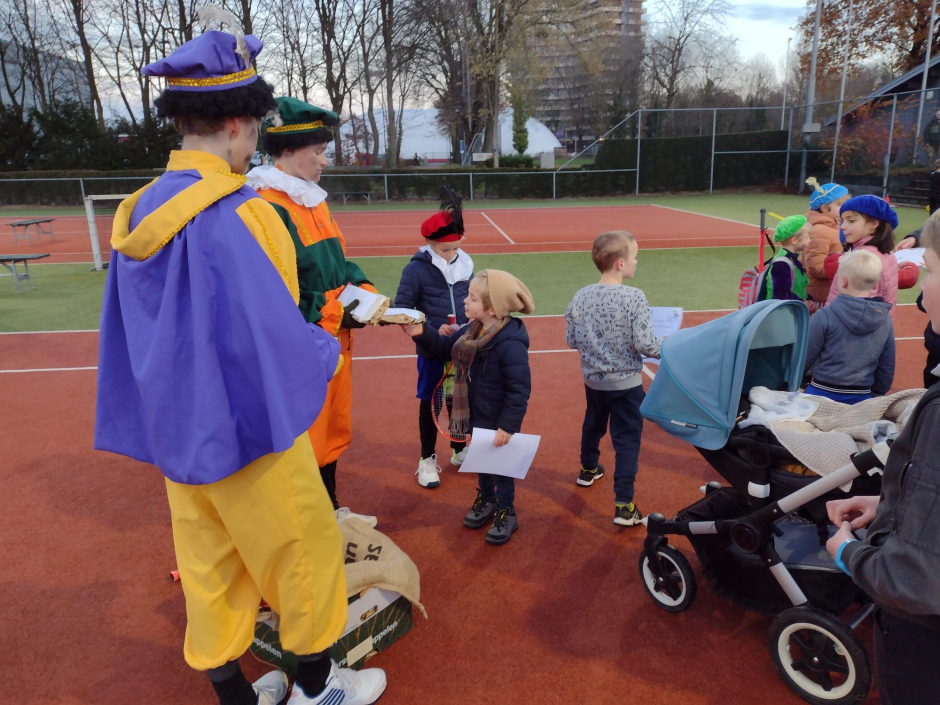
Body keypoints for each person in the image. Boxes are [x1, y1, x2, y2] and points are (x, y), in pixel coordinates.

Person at [93, 21, 386, 705]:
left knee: (209, 565)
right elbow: (275, 333)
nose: (256, 140)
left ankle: (236, 696)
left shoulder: (136, 212)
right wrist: (325, 351)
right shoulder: (246, 215)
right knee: (303, 552)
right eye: (255, 127)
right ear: (234, 122)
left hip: (180, 431)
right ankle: (318, 688)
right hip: (247, 425)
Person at [824, 211, 940, 705]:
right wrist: (892, 502)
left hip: (921, 641)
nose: (921, 292)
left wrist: (846, 553)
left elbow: (911, 579)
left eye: (930, 269)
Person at [247, 96, 379, 519]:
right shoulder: (266, 206)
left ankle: (330, 511)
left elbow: (338, 262)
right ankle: (311, 523)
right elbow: (275, 294)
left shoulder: (311, 199)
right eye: (318, 152)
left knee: (330, 430)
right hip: (305, 345)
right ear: (287, 150)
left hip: (333, 337)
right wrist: (336, 309)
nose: (325, 161)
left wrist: (364, 290)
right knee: (304, 434)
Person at [403, 270, 533, 545]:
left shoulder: (511, 345)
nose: (465, 301)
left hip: (498, 419)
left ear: (491, 308)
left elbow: (519, 390)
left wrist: (507, 426)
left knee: (502, 469)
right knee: (482, 461)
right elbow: (443, 348)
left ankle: (506, 511)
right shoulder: (471, 330)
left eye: (472, 298)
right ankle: (486, 498)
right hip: (475, 412)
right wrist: (420, 332)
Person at [565, 231, 662, 526]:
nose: (636, 262)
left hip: (594, 382)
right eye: (634, 257)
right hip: (627, 385)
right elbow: (646, 345)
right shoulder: (635, 297)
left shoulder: (580, 296)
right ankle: (624, 504)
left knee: (593, 424)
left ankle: (588, 469)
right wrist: (670, 345)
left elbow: (571, 340)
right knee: (627, 440)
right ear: (620, 263)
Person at [394, 186, 473, 488]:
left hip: (461, 347)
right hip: (431, 349)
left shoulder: (465, 264)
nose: (451, 255)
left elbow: (471, 299)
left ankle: (459, 449)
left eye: (455, 248)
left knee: (458, 400)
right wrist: (430, 326)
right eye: (445, 250)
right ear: (430, 243)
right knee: (431, 403)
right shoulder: (415, 270)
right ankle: (426, 459)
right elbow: (403, 308)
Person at [802, 250, 895, 404]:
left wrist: (793, 383)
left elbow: (806, 355)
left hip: (820, 394)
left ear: (843, 281)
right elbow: (887, 363)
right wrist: (878, 393)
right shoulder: (884, 320)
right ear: (875, 284)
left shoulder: (825, 315)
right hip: (861, 397)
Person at [826, 195, 899, 319]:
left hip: (845, 326)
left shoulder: (863, 258)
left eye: (851, 221)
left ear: (874, 224)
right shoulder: (886, 252)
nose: (842, 226)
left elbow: (858, 310)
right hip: (877, 325)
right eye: (843, 221)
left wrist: (828, 323)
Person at [803, 177, 849, 303]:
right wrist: (847, 268)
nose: (845, 207)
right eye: (840, 204)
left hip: (833, 292)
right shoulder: (819, 231)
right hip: (821, 296)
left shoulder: (837, 226)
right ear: (824, 208)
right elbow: (815, 267)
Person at [766, 215, 812, 301]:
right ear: (794, 240)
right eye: (807, 237)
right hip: (786, 308)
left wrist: (808, 298)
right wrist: (803, 302)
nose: (810, 240)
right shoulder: (781, 264)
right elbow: (781, 295)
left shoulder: (791, 260)